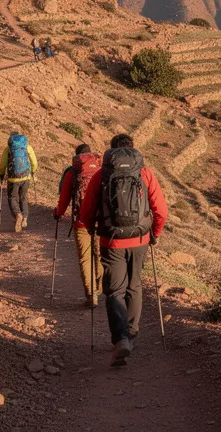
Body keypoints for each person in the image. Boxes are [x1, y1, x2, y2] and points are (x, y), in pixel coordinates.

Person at [80, 133, 167, 366]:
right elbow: (160, 210)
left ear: (111, 152)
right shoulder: (145, 173)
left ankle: (120, 339)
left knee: (114, 290)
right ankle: (132, 332)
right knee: (134, 285)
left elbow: (87, 209)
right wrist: (154, 234)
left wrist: (90, 228)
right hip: (139, 239)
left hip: (112, 241)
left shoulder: (102, 174)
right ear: (133, 150)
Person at [54, 144, 103, 306]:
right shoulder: (101, 170)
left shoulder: (72, 172)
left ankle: (91, 295)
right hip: (100, 221)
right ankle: (100, 287)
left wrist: (59, 213)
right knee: (100, 255)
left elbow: (64, 198)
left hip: (81, 222)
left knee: (85, 258)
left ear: (77, 157)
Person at [0, 131, 38, 232]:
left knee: (12, 198)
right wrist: (33, 171)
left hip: (13, 178)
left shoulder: (7, 149)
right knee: (23, 197)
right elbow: (34, 161)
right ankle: (24, 217)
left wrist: (1, 174)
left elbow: (3, 164)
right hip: (26, 177)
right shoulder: (27, 147)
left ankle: (17, 214)